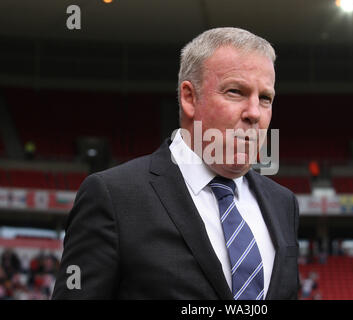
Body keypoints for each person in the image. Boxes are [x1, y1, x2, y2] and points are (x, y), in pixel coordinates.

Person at [52, 27, 300, 300]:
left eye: (265, 98)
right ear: (189, 98)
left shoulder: (283, 204)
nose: (255, 113)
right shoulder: (114, 196)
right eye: (235, 91)